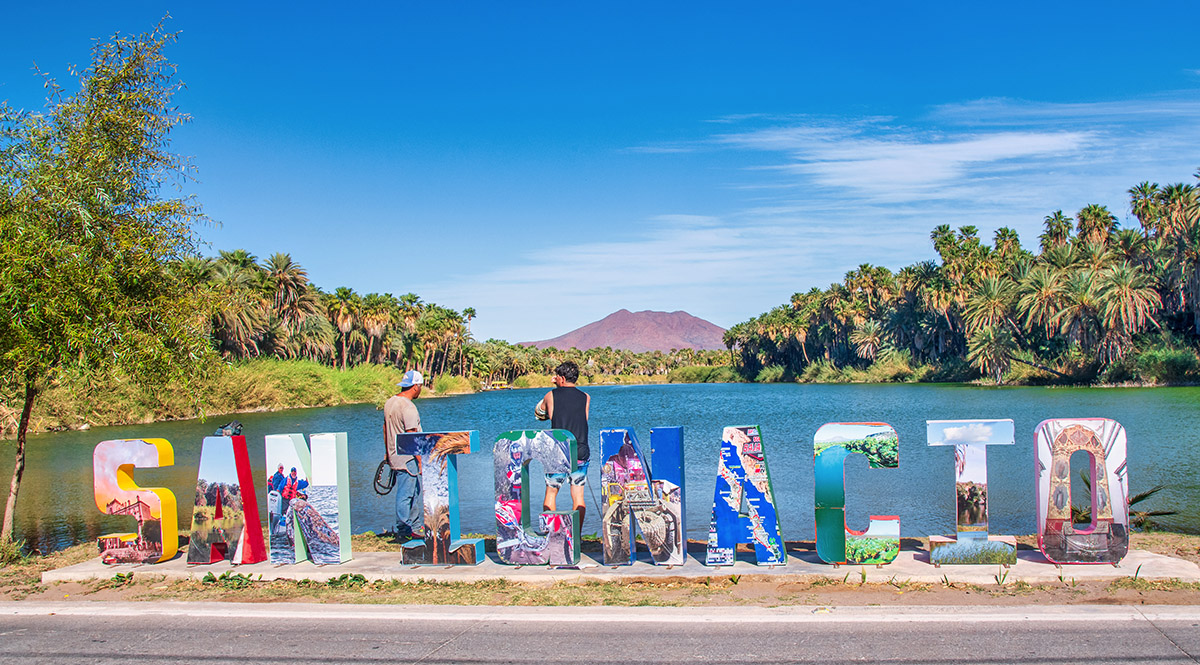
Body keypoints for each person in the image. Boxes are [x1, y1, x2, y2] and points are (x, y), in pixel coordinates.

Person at [535, 361, 590, 524]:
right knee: (578, 496)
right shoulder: (585, 397)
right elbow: (584, 419)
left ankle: (550, 535)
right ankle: (577, 538)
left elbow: (539, 413)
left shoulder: (551, 396)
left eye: (557, 377)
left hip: (557, 451)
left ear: (562, 378)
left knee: (551, 493)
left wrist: (554, 387)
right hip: (580, 450)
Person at [384, 369, 424, 539]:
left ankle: (414, 528)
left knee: (414, 491)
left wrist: (387, 453)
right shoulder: (408, 407)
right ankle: (404, 530)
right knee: (406, 494)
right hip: (407, 458)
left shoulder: (390, 402)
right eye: (420, 386)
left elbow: (386, 429)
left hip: (394, 454)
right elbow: (412, 436)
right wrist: (421, 462)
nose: (420, 389)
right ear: (415, 387)